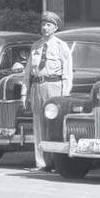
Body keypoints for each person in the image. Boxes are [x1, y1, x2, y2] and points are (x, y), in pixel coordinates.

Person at [23, 10, 74, 172]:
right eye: (43, 24)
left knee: (53, 124)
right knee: (38, 124)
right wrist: (25, 92)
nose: (45, 28)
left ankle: (56, 162)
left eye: (48, 25)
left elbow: (67, 73)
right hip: (37, 86)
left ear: (55, 28)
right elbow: (27, 73)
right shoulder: (36, 46)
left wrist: (64, 96)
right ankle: (42, 163)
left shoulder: (61, 46)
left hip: (54, 86)